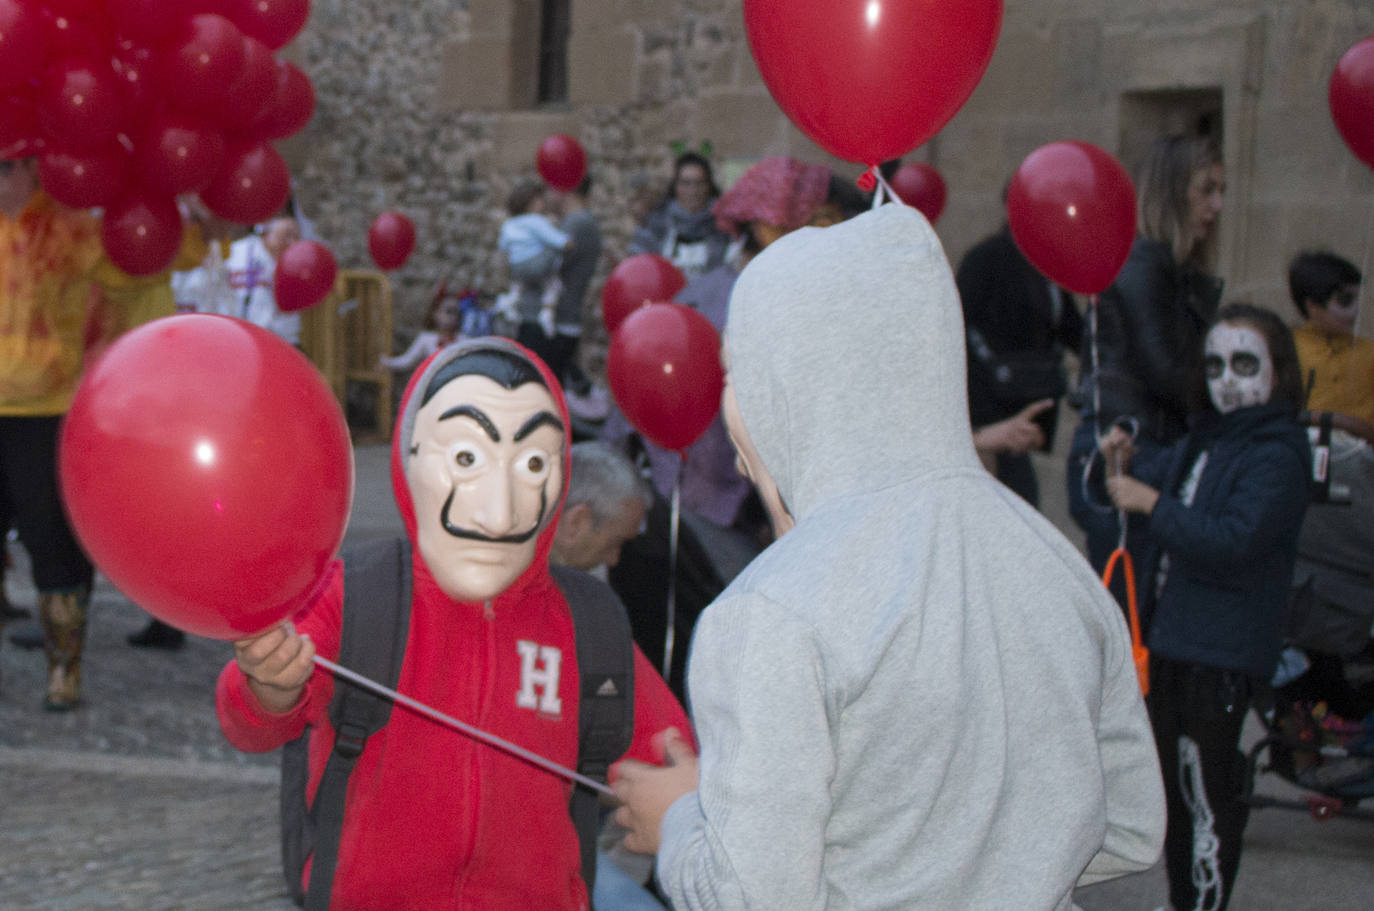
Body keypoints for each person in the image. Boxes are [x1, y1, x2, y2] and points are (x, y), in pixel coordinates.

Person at [612, 204, 1165, 909]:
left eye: (736, 373)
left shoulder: (771, 612)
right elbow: (1130, 828)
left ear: (786, 385)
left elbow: (752, 896)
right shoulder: (1058, 565)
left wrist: (682, 816)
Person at [216, 337, 691, 910]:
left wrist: (684, 797)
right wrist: (271, 684)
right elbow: (250, 722)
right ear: (409, 457)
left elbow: (670, 749)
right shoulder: (360, 594)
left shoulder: (585, 625)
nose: (500, 508)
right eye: (467, 458)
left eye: (533, 463)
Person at [1096, 302, 1310, 911]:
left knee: (1208, 799)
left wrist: (1151, 504)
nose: (1227, 379)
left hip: (1221, 652)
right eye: (1215, 364)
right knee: (1177, 798)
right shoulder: (1207, 438)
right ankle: (1186, 900)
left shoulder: (1277, 455)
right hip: (1176, 644)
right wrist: (1121, 456)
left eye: (1245, 363)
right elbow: (1137, 480)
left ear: (1278, 372)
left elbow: (1233, 542)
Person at [0, 156, 174, 707]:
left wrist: (181, 227)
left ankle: (63, 673)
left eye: (6, 167)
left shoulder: (69, 227)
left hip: (45, 413)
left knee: (52, 546)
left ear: (32, 169)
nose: (0, 179)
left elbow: (135, 266)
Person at [1068, 134, 1226, 592]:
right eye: (1206, 189)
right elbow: (1170, 371)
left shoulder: (1173, 270)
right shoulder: (1141, 260)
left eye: (1222, 191)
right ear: (1172, 190)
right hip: (1124, 450)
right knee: (1129, 615)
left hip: (1145, 448)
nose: (1216, 205)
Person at [548, 440, 668, 911]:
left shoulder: (583, 601)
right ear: (576, 522)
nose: (615, 560)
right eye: (615, 542)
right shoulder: (579, 607)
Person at [957, 197, 1083, 507]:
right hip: (987, 417)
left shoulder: (1049, 267)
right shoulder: (987, 258)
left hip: (1028, 416)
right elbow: (957, 330)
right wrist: (979, 428)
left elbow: (1074, 333)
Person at [1288, 250, 1374, 440]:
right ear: (1313, 305)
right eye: (1345, 301)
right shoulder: (1286, 348)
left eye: (1356, 300)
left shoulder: (1369, 353)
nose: (1355, 310)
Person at [495, 178, 572, 364]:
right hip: (538, 267)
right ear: (530, 202)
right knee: (552, 280)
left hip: (518, 268)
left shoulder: (508, 225)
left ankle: (512, 304)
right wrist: (568, 242)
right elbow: (557, 240)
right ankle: (548, 309)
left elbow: (503, 251)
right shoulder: (537, 221)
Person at [627, 152, 731, 280]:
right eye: (686, 183)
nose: (693, 191)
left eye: (699, 183)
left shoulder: (724, 227)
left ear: (709, 186)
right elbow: (638, 267)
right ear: (676, 186)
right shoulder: (655, 225)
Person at [548, 176, 603, 400]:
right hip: (565, 318)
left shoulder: (577, 224)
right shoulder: (579, 222)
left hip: (563, 319)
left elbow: (548, 264)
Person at [226, 215, 302, 345]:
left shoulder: (297, 264)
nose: (292, 243)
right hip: (237, 336)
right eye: (287, 236)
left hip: (281, 340)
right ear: (267, 234)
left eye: (296, 237)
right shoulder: (237, 252)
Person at [377, 284, 464, 372]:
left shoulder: (463, 339)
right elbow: (407, 361)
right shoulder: (426, 339)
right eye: (448, 311)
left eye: (456, 312)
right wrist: (386, 362)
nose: (453, 316)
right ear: (436, 313)